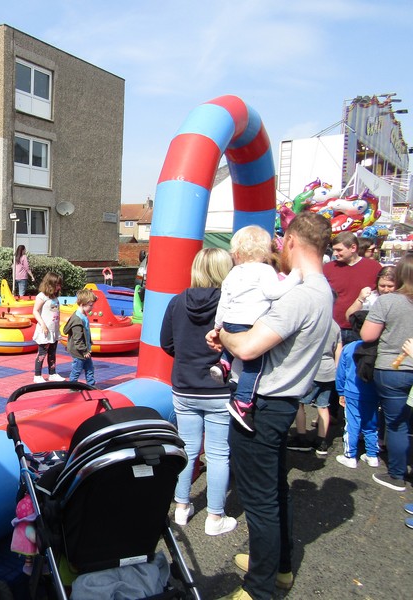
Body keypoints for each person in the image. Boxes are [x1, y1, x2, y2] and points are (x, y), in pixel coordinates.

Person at [207, 212, 334, 600]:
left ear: (292, 241)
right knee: (275, 490)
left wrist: (223, 336)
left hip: (262, 405)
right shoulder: (321, 290)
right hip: (283, 401)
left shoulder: (299, 295)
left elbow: (247, 346)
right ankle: (277, 566)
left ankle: (259, 588)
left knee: (259, 501)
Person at [159, 248, 237, 536]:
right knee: (218, 453)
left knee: (188, 449)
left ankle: (181, 507)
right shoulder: (230, 306)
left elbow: (166, 343)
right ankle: (215, 517)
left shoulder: (176, 302)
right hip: (218, 388)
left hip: (184, 386)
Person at [210, 225, 301, 432]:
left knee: (232, 341)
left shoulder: (233, 272)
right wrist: (295, 277)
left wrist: (217, 327)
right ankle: (242, 403)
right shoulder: (265, 270)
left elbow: (224, 302)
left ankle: (224, 362)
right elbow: (273, 292)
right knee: (253, 366)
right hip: (251, 323)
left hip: (231, 321)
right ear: (264, 250)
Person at [359, 253, 413, 492]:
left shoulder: (388, 301)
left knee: (396, 424)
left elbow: (367, 335)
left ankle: (397, 474)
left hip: (394, 367)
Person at [287, 318, 341, 455]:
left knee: (299, 403)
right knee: (323, 406)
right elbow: (338, 351)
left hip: (312, 367)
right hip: (329, 370)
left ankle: (301, 438)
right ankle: (321, 441)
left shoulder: (312, 322)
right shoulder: (335, 325)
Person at [334, 310, 380, 469]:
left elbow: (341, 372)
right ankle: (372, 454)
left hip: (352, 391)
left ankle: (350, 455)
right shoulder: (379, 348)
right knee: (371, 422)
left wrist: (340, 391)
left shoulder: (350, 348)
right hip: (373, 391)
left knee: (352, 423)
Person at [324, 231, 382, 344]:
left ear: (353, 247)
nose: (335, 253)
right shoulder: (328, 268)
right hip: (334, 326)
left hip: (361, 328)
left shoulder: (374, 267)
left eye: (339, 250)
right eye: (334, 249)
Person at [32, 272, 64, 384]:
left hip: (53, 329)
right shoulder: (42, 296)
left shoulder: (54, 297)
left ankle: (52, 373)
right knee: (42, 352)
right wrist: (43, 324)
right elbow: (35, 311)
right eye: (57, 285)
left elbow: (55, 312)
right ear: (50, 284)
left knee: (52, 352)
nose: (59, 287)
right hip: (45, 330)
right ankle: (37, 375)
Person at [63, 287, 96, 387]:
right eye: (90, 305)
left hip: (85, 350)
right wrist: (84, 351)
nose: (92, 307)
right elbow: (77, 340)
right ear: (82, 304)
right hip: (79, 351)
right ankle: (72, 386)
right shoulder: (77, 320)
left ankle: (91, 385)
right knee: (77, 370)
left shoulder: (83, 315)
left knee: (90, 368)